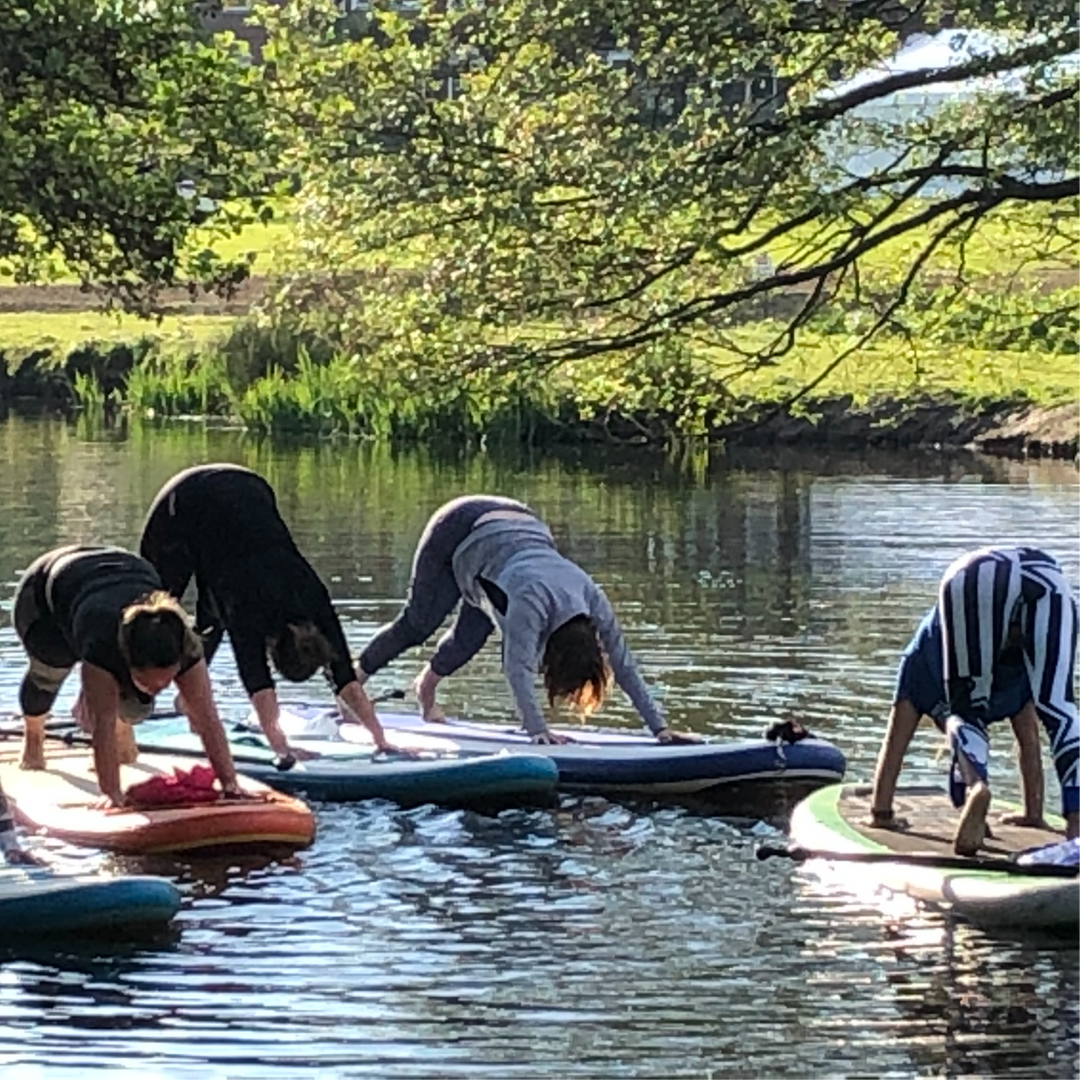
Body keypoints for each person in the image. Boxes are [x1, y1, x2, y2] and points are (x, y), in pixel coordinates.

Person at [357, 495, 692, 745]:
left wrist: (659, 729)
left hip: (518, 534)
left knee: (472, 635)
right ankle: (351, 682)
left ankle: (424, 688)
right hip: (459, 527)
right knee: (419, 623)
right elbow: (516, 669)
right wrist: (537, 731)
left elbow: (624, 664)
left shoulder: (592, 600)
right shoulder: (529, 605)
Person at [139, 464, 393, 763]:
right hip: (183, 502)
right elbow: (259, 685)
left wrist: (381, 740)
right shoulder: (250, 610)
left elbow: (345, 679)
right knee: (150, 618)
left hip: (249, 486)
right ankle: (116, 705)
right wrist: (281, 749)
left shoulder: (313, 599)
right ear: (271, 647)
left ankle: (188, 700)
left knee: (211, 617)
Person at [869, 546, 1079, 855]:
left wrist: (881, 813)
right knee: (1061, 709)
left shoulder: (919, 664)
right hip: (1048, 574)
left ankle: (975, 788)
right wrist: (1032, 813)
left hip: (971, 577)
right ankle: (1077, 824)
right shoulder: (1017, 667)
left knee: (966, 710)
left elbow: (894, 745)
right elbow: (1029, 741)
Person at [13, 544, 244, 808]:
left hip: (123, 572)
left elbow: (207, 716)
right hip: (46, 596)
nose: (158, 689)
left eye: (166, 682)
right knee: (48, 676)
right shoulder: (103, 644)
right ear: (127, 660)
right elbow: (102, 725)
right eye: (149, 681)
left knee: (136, 708)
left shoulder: (186, 645)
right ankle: (33, 738)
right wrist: (110, 792)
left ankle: (123, 727)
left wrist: (230, 784)